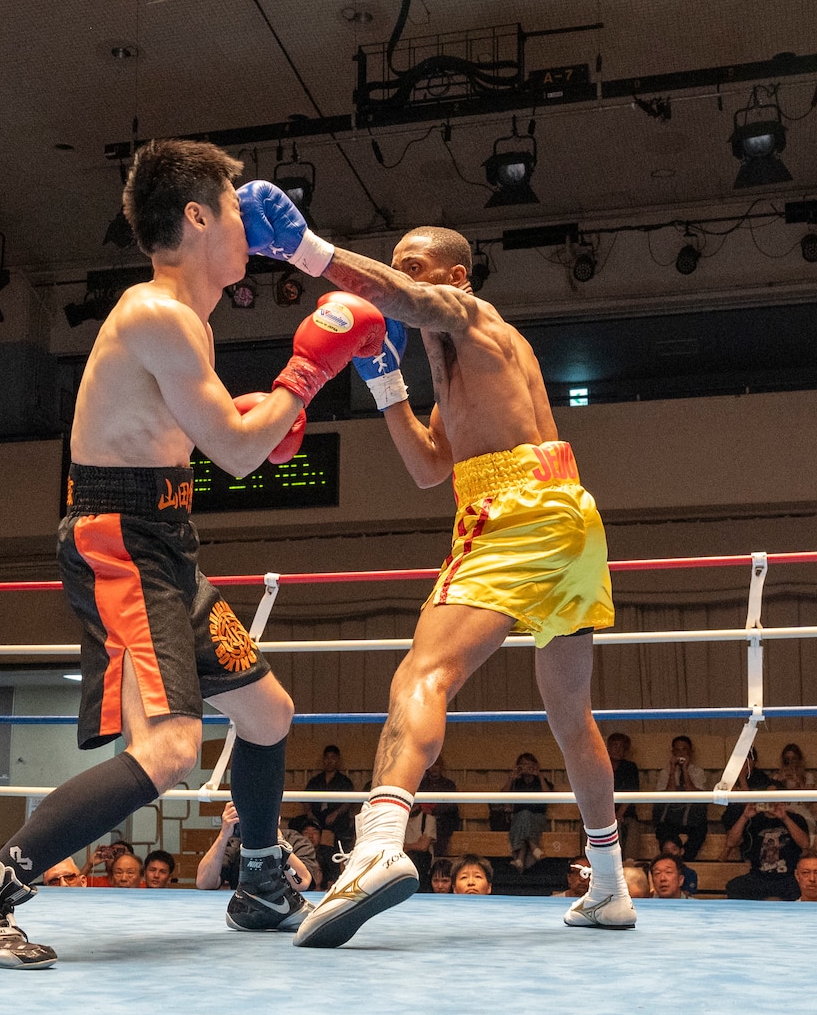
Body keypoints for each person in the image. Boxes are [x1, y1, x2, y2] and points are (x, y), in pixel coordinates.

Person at [0, 141, 381, 970]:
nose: (252, 223)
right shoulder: (158, 313)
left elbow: (208, 438)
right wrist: (304, 374)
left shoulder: (184, 323)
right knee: (171, 750)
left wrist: (262, 410)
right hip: (120, 541)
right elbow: (240, 453)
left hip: (166, 543)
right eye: (238, 208)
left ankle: (264, 881)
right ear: (199, 216)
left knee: (268, 712)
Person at [240, 204, 633, 944]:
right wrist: (383, 375)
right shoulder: (459, 368)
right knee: (568, 714)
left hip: (515, 510)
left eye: (411, 267)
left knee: (423, 672)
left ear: (454, 276)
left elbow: (404, 298)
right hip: (562, 515)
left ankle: (379, 844)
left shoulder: (470, 313)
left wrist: (305, 249)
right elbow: (428, 467)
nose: (397, 279)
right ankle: (609, 886)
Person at [722, 758, 810, 901]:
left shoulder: (795, 819)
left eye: (775, 797)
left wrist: (785, 818)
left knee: (802, 888)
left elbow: (805, 844)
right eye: (767, 796)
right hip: (759, 877)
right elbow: (731, 842)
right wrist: (744, 817)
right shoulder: (753, 820)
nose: (771, 801)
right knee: (734, 886)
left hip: (787, 877)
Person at [195, 801, 315, 892]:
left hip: (287, 907)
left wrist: (272, 833)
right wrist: (224, 834)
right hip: (246, 908)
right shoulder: (235, 844)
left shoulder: (296, 841)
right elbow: (204, 883)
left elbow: (302, 884)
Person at [652, 734, 710, 860]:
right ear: (673, 752)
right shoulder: (665, 772)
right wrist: (673, 770)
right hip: (669, 818)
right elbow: (669, 794)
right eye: (677, 750)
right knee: (662, 831)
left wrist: (685, 770)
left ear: (690, 752)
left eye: (684, 749)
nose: (680, 753)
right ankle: (668, 859)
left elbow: (693, 793)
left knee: (701, 830)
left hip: (692, 819)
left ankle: (685, 859)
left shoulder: (697, 771)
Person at [502, 753, 553, 871]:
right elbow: (503, 797)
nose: (526, 768)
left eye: (529, 765)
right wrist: (511, 778)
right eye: (523, 765)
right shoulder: (516, 782)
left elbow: (549, 796)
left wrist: (539, 775)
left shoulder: (541, 781)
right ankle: (533, 846)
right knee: (523, 816)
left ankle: (520, 859)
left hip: (537, 818)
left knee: (525, 817)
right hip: (518, 819)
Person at [301, 745, 356, 850]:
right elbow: (305, 799)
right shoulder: (315, 780)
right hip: (316, 815)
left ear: (338, 760)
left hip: (336, 816)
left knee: (343, 828)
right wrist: (309, 813)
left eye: (333, 758)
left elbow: (349, 802)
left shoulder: (344, 781)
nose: (329, 761)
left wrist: (336, 813)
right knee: (299, 823)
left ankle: (334, 857)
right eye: (327, 758)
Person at [607, 733, 645, 857]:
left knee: (632, 827)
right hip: (602, 813)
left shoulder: (630, 767)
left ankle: (629, 863)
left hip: (626, 813)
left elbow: (632, 792)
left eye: (621, 747)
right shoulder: (598, 765)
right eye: (614, 745)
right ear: (608, 747)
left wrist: (619, 814)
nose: (617, 749)